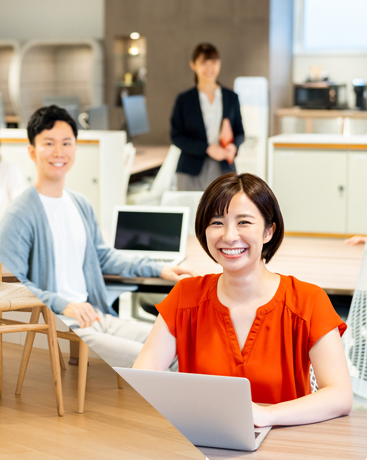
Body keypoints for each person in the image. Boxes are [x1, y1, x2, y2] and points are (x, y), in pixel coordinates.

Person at [133, 173, 352, 428]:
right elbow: (142, 382)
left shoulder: (307, 300)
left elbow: (340, 395)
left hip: (284, 442)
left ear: (269, 231)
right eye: (217, 222)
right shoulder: (186, 296)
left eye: (244, 222)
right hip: (204, 441)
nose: (229, 236)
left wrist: (267, 416)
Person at [0, 106, 194, 368]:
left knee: (182, 346)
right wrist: (64, 305)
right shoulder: (19, 215)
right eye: (49, 143)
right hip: (61, 323)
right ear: (32, 151)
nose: (59, 152)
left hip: (96, 316)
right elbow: (11, 285)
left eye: (66, 143)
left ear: (75, 148)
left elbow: (103, 256)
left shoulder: (80, 203)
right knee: (159, 360)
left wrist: (159, 268)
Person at [170, 43, 245, 191]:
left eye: (214, 62)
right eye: (204, 63)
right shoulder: (184, 100)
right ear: (193, 65)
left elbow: (240, 132)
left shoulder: (231, 97)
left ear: (219, 64)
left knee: (223, 211)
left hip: (224, 167)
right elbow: (176, 136)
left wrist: (233, 147)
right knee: (192, 212)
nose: (209, 68)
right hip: (191, 169)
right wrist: (207, 148)